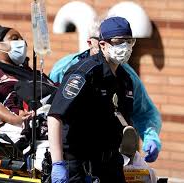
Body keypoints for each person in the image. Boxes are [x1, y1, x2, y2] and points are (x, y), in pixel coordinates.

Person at [47, 16, 160, 183]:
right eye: (118, 41)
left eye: (129, 41)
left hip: (109, 162)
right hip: (78, 162)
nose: (126, 47)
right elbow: (55, 116)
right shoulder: (84, 73)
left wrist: (146, 138)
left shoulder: (125, 79)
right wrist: (57, 163)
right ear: (102, 44)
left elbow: (132, 115)